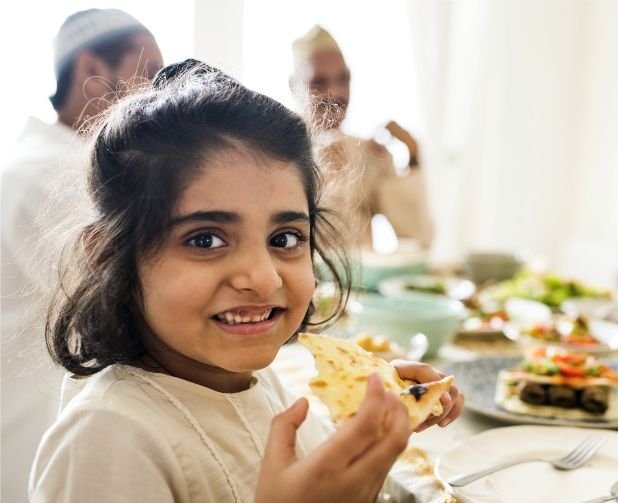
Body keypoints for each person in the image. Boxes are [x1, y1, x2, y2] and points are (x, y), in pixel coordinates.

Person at [29, 59, 463, 502]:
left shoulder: (255, 376)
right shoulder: (106, 441)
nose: (262, 276)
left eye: (285, 237)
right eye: (205, 239)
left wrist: (362, 432)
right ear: (106, 255)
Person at [1, 9, 163, 501]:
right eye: (151, 72)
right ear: (93, 69)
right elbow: (139, 308)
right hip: (39, 433)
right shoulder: (65, 177)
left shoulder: (26, 162)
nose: (159, 95)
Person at [290, 25, 434, 249]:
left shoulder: (367, 153)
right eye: (320, 82)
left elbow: (418, 239)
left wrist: (412, 154)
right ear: (294, 86)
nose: (336, 93)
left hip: (361, 284)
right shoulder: (278, 155)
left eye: (343, 79)